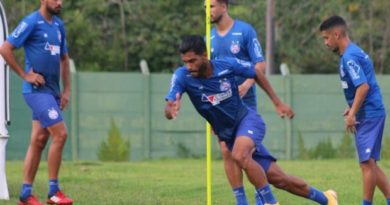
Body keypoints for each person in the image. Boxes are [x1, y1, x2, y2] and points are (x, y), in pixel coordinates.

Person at [207, 0, 338, 205]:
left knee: (239, 154)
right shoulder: (209, 38)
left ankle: (264, 200)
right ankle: (325, 198)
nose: (208, 11)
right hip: (223, 109)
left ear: (224, 6)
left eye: (212, 6)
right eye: (205, 7)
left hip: (245, 110)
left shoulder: (244, 31)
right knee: (272, 175)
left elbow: (259, 64)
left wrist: (247, 84)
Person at [165, 35, 282, 205]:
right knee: (280, 178)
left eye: (192, 61)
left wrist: (277, 103)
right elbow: (171, 101)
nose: (189, 66)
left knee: (240, 155)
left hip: (245, 119)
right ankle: (326, 198)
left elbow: (255, 72)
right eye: (185, 62)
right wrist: (170, 110)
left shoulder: (226, 65)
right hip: (223, 130)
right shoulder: (182, 76)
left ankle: (269, 201)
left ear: (205, 54)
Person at [0, 0, 73, 205]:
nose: (59, 2)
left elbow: (64, 59)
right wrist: (25, 75)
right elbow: (5, 48)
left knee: (39, 140)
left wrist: (66, 90)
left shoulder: (58, 25)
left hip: (52, 92)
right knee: (60, 134)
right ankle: (53, 191)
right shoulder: (31, 22)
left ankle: (25, 195)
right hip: (36, 91)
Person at [320, 15, 390, 205]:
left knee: (366, 164)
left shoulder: (350, 57)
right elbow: (363, 85)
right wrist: (352, 106)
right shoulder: (351, 53)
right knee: (370, 163)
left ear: (336, 34)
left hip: (369, 114)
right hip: (370, 111)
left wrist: (352, 114)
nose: (325, 43)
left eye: (326, 38)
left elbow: (364, 87)